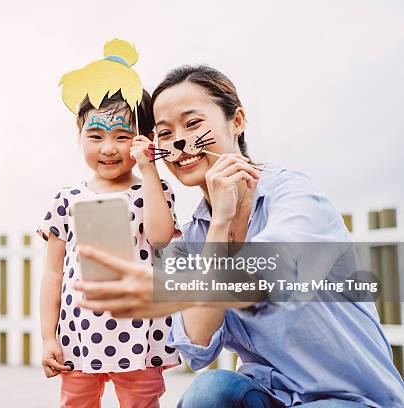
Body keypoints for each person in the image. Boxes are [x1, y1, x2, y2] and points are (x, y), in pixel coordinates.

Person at [74, 65, 404, 407]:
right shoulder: (196, 235)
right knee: (209, 391)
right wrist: (220, 221)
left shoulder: (293, 195)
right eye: (165, 133)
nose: (180, 142)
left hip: (349, 399)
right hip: (270, 395)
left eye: (193, 123)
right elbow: (197, 340)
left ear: (238, 120)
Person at [37, 39, 181, 408]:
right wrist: (48, 337)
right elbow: (53, 273)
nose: (108, 148)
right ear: (78, 133)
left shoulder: (154, 188)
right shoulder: (67, 198)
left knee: (142, 402)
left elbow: (161, 237)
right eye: (96, 136)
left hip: (141, 334)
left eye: (122, 136)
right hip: (80, 334)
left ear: (144, 139)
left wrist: (149, 170)